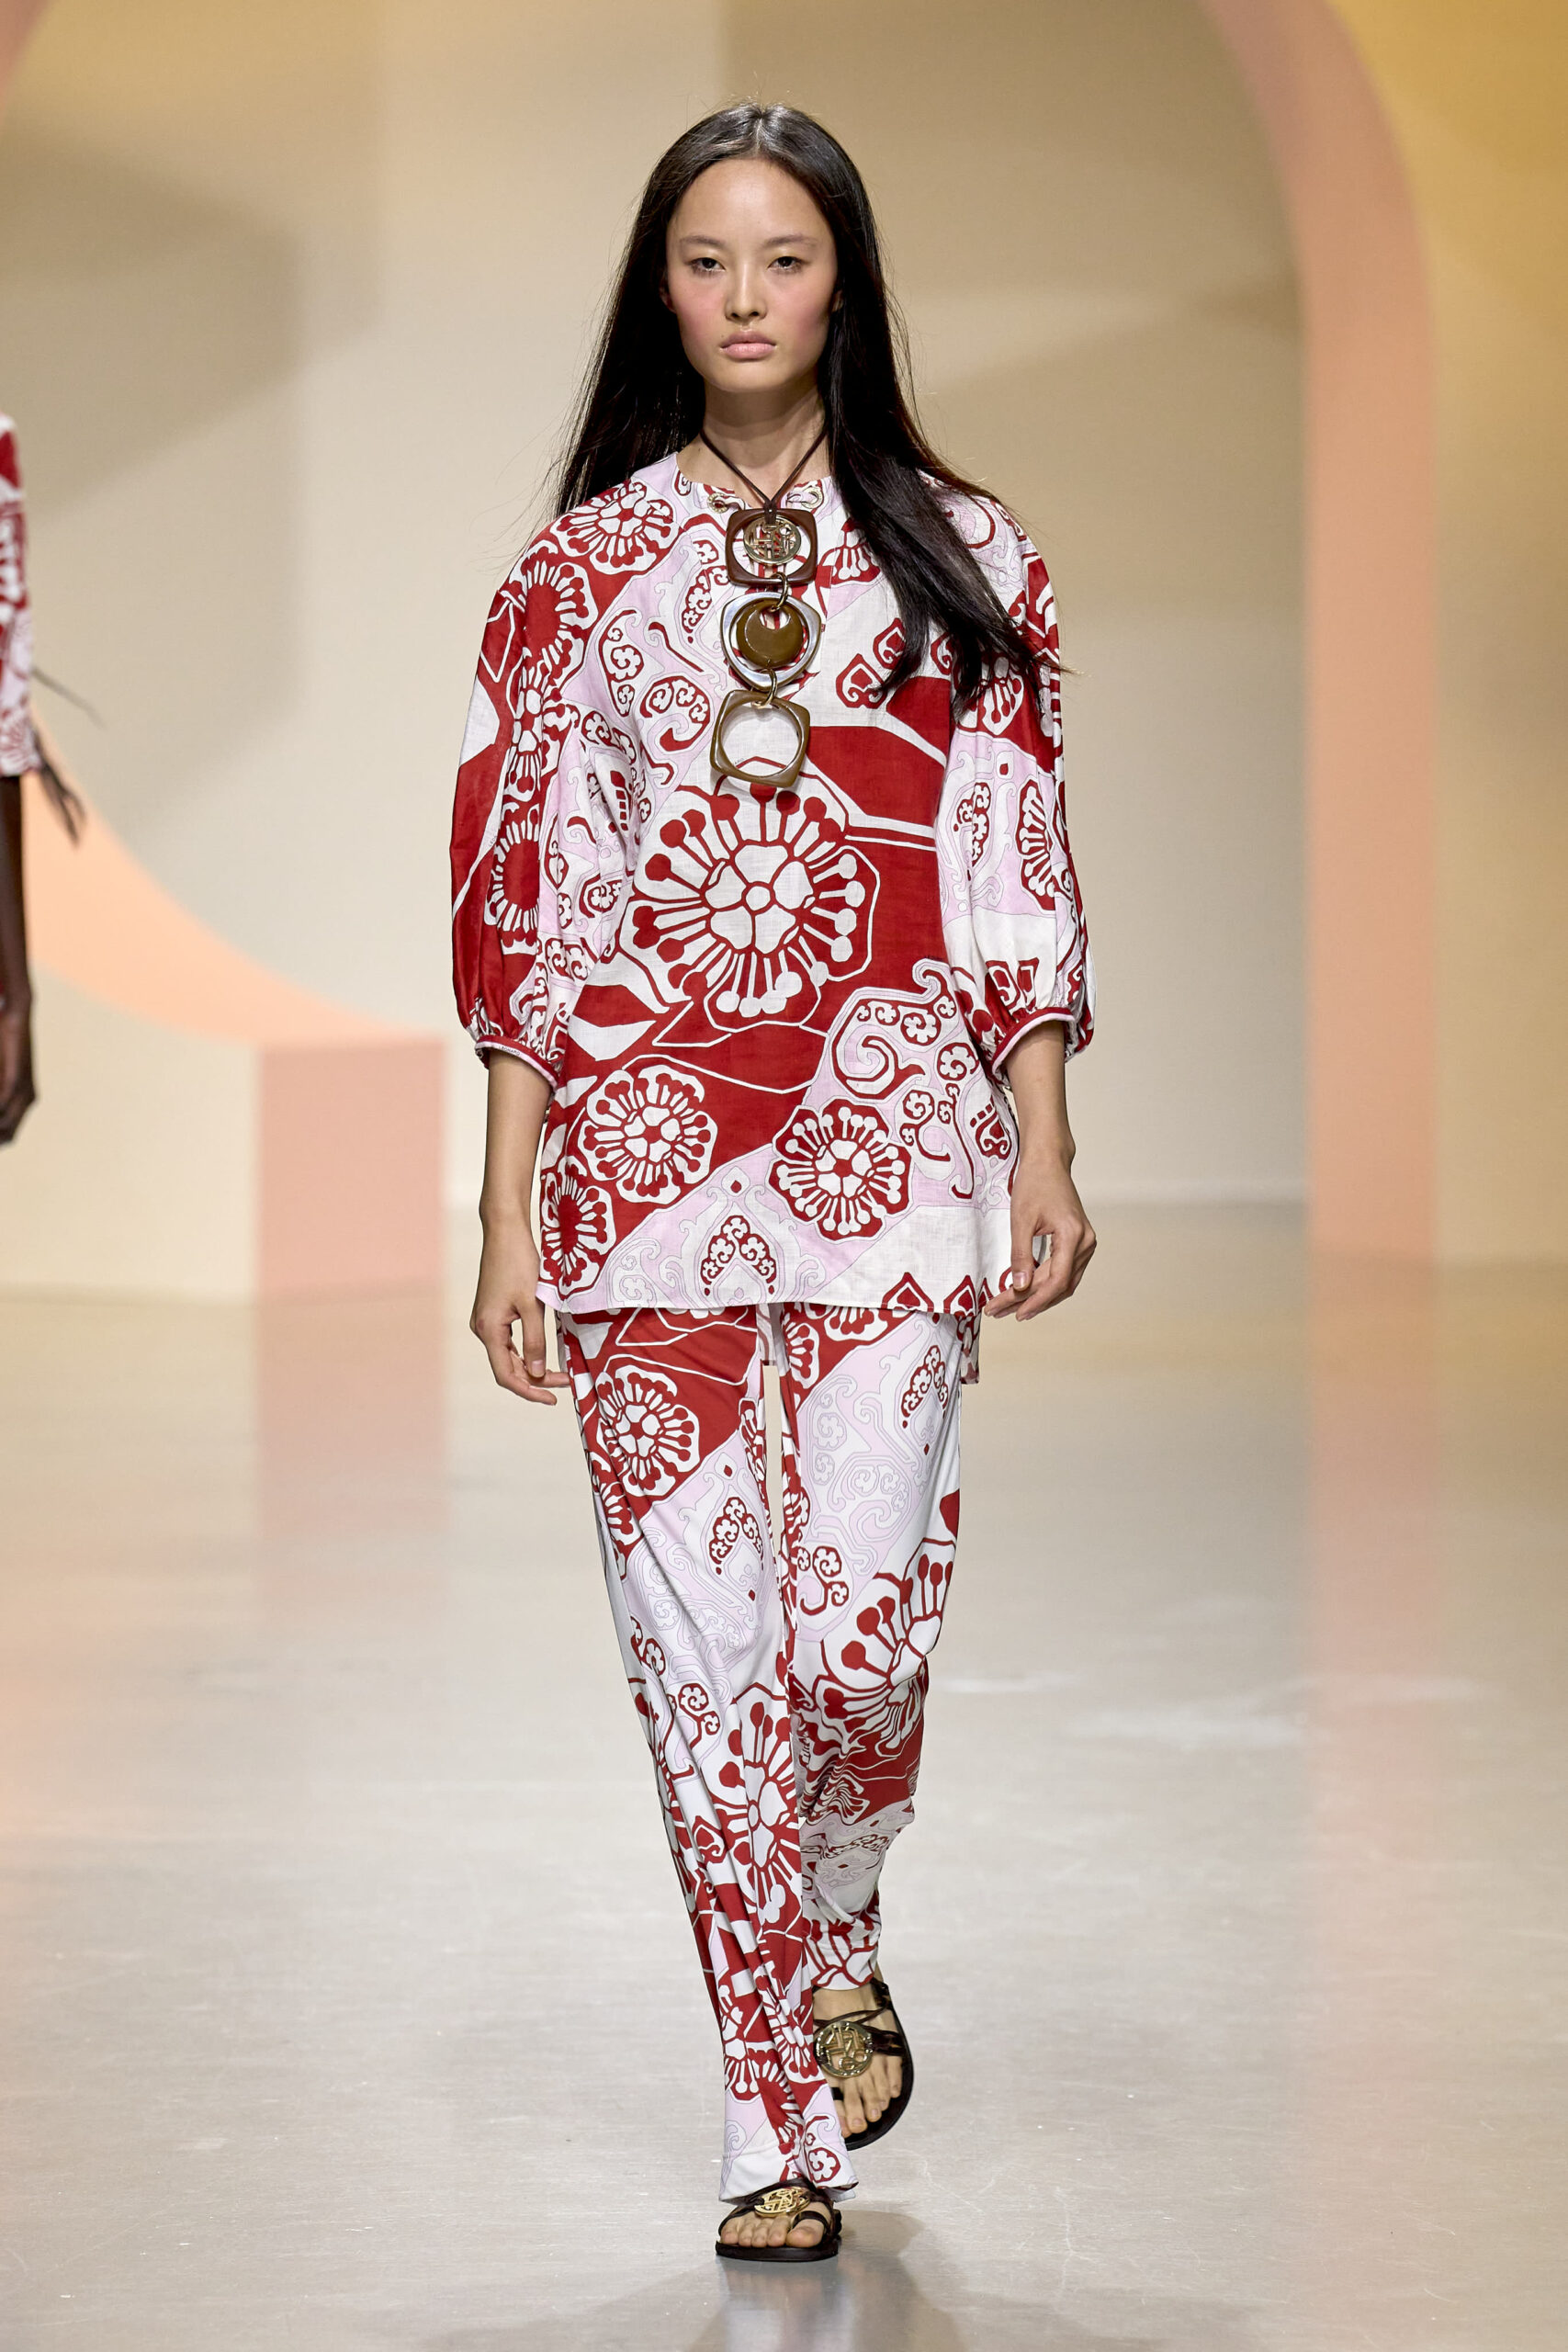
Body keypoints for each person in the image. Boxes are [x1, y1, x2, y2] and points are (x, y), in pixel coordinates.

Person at [449, 104, 1095, 2265]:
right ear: (660, 286)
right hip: (638, 1171)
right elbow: (530, 900)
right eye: (706, 259)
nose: (743, 297)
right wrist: (501, 1206)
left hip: (895, 1153)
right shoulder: (573, 574)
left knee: (851, 1631)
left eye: (784, 259)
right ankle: (766, 2121)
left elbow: (1006, 856)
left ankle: (837, 1917)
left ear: (844, 284)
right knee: (700, 1652)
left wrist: (1041, 1135)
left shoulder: (970, 557)